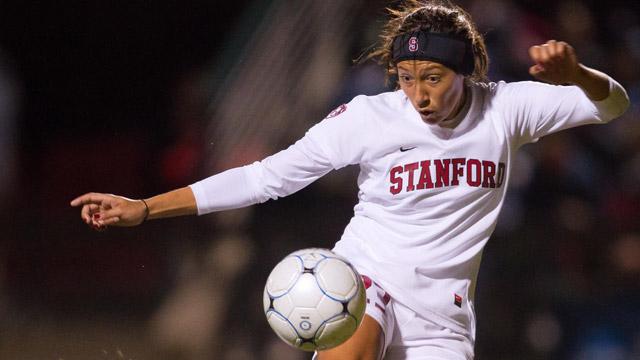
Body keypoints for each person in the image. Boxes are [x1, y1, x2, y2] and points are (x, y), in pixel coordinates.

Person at [70, 0, 630, 359]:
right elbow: (267, 178)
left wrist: (577, 76)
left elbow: (613, 107)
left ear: (467, 72)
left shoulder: (506, 109)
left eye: (433, 77)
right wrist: (144, 207)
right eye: (407, 78)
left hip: (443, 318)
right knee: (353, 342)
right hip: (364, 284)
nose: (419, 94)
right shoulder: (370, 117)